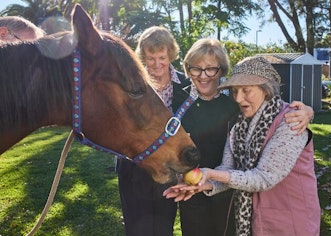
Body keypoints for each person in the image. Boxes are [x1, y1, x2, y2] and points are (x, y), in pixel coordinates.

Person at [169, 39, 315, 236]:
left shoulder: (290, 120)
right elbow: (229, 169)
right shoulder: (239, 124)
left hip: (289, 219)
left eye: (246, 90)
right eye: (235, 91)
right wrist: (204, 184)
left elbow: (264, 177)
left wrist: (211, 174)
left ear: (266, 88)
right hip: (255, 219)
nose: (238, 98)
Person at [116, 26, 190, 236]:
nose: (157, 64)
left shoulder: (185, 85)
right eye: (150, 58)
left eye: (162, 57)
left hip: (168, 168)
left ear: (171, 55)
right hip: (134, 166)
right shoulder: (131, 84)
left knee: (163, 227)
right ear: (143, 57)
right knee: (137, 228)